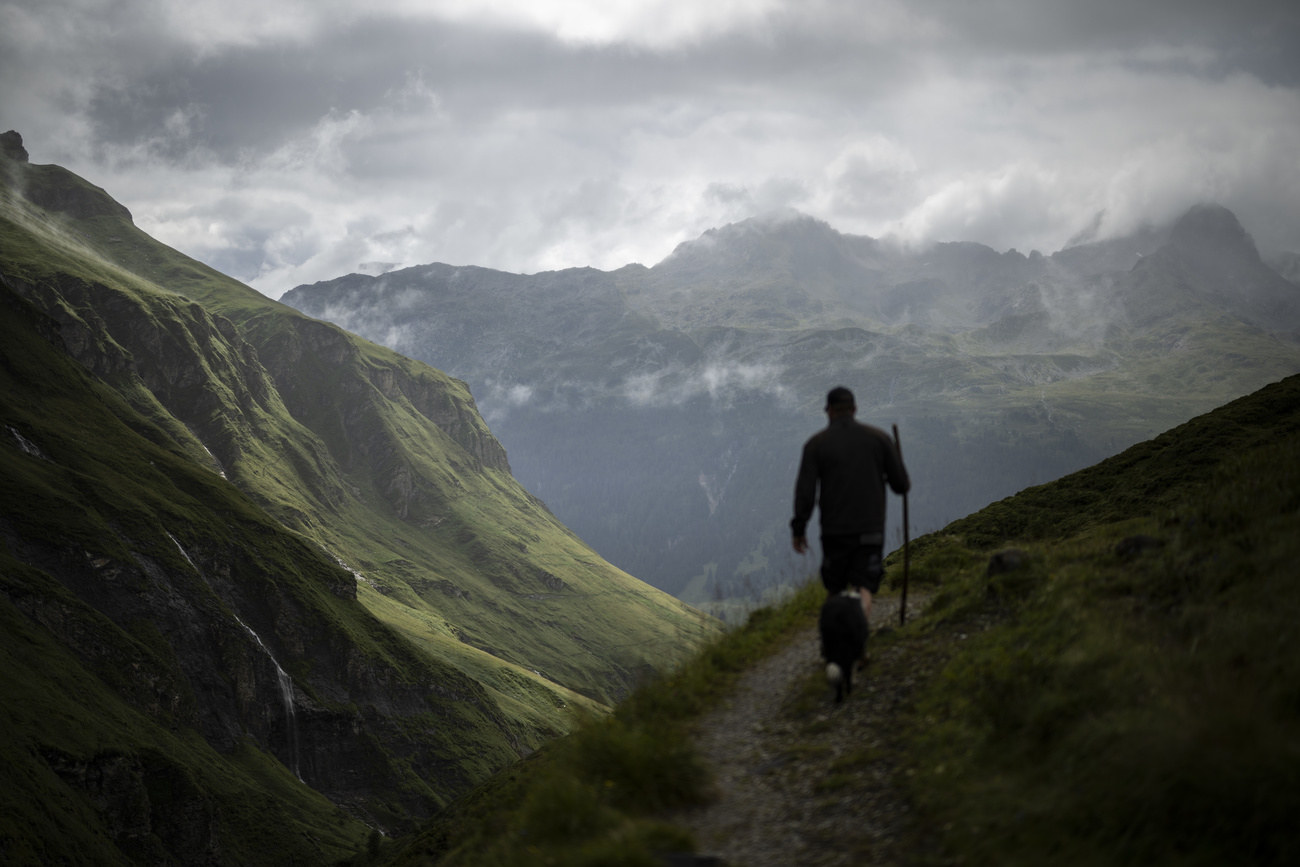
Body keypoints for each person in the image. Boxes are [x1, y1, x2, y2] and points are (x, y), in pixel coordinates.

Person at [791, 386, 910, 620]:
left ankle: (834, 646)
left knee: (834, 589)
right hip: (870, 529)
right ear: (854, 409)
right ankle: (857, 643)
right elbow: (901, 486)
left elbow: (805, 492)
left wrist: (799, 528)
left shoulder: (816, 444)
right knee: (863, 587)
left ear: (829, 411)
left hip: (835, 532)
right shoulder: (879, 439)